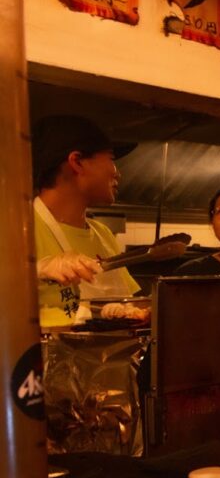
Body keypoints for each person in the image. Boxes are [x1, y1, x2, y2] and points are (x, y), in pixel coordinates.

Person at [31, 115, 141, 327]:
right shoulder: (18, 229)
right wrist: (38, 269)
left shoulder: (103, 233)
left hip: (112, 358)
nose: (117, 173)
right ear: (77, 162)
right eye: (111, 159)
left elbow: (128, 306)